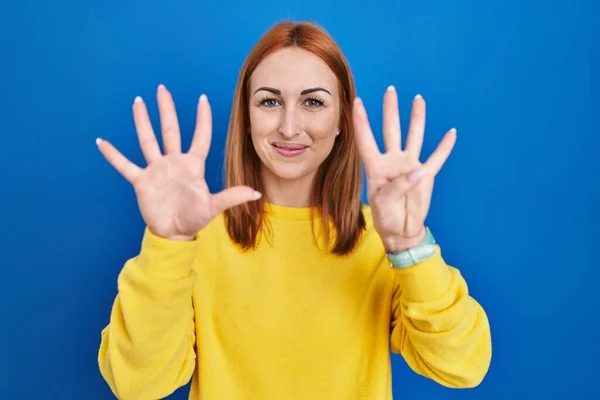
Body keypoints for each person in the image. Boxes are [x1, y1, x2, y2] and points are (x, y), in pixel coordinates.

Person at [96, 20, 492, 400]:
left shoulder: (384, 241)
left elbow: (463, 365)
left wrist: (410, 246)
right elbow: (137, 385)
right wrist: (169, 243)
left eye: (313, 102)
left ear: (341, 121)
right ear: (247, 119)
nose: (289, 126)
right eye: (269, 101)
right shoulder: (194, 240)